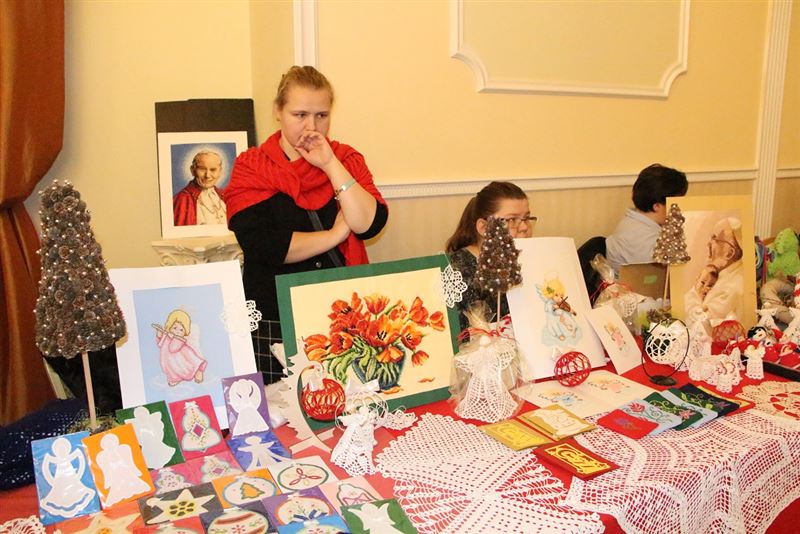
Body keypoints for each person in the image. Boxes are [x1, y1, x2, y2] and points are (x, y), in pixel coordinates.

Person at [225, 66, 388, 383]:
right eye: (300, 114)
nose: (311, 127)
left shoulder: (346, 160)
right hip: (274, 318)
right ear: (278, 111)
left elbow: (369, 224)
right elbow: (266, 246)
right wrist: (335, 234)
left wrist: (330, 163)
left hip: (339, 315)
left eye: (321, 115)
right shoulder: (252, 167)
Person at [445, 181, 534, 331]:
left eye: (527, 218)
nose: (524, 227)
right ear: (484, 228)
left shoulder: (529, 259)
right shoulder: (456, 273)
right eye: (512, 220)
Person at [605, 163, 688, 273]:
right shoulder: (646, 240)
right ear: (657, 206)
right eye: (676, 203)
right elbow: (676, 274)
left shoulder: (631, 221)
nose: (680, 209)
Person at [686, 217, 744, 327]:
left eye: (715, 239)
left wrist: (695, 292)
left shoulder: (733, 286)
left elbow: (699, 321)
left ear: (729, 253)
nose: (709, 244)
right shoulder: (720, 273)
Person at [173, 150, 227, 226]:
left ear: (220, 171)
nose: (207, 175)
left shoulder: (225, 195)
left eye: (213, 170)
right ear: (192, 170)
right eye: (202, 169)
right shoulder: (182, 199)